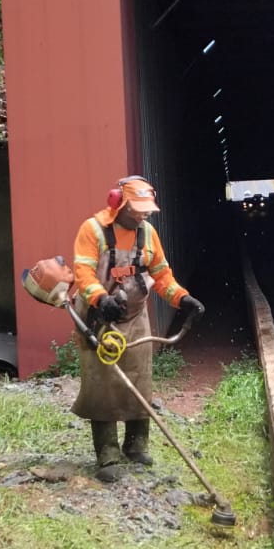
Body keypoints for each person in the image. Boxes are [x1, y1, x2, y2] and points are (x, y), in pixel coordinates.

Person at [71, 175, 203, 481]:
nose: (143, 214)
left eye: (147, 210)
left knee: (140, 378)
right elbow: (83, 273)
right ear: (119, 203)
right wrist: (100, 299)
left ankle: (137, 445)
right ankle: (107, 453)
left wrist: (182, 298)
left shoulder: (148, 233)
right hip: (99, 318)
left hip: (135, 316)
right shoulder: (93, 231)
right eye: (137, 209)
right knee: (102, 382)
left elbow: (160, 275)